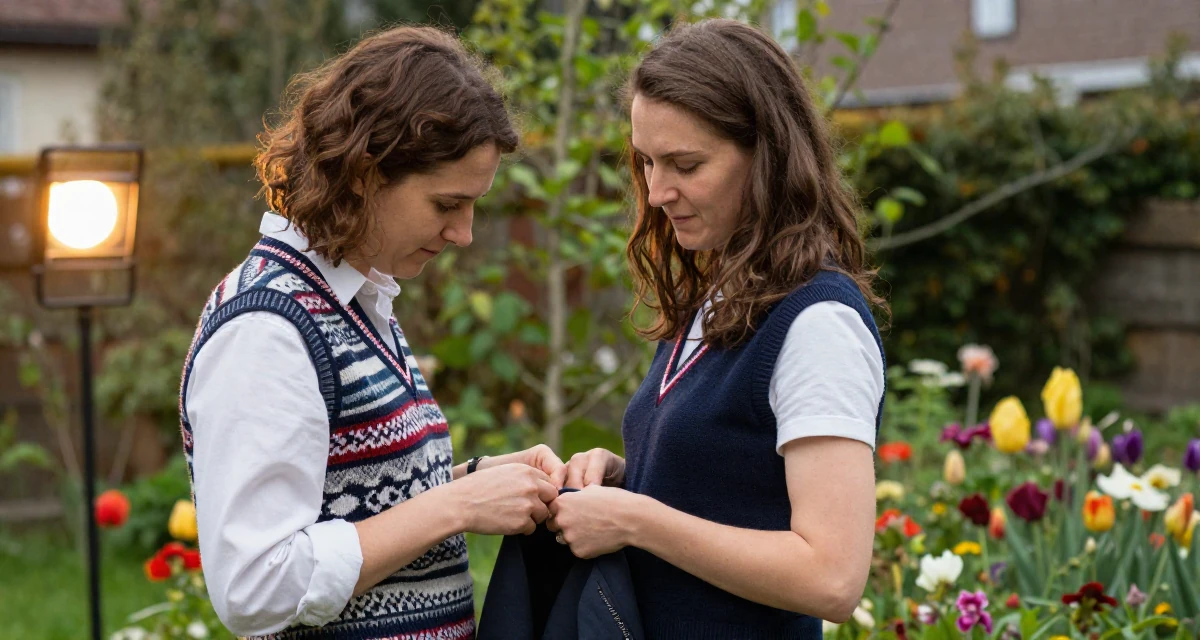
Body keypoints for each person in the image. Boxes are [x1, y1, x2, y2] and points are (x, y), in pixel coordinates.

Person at [178, 26, 562, 639]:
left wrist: (483, 480)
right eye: (446, 204)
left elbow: (357, 500)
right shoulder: (266, 328)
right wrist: (455, 506)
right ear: (365, 173)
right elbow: (255, 585)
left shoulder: (354, 299)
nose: (464, 233)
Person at [547, 18, 886, 639]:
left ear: (767, 158)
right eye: (646, 162)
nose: (656, 192)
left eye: (685, 164)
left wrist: (636, 520)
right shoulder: (721, 296)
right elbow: (734, 486)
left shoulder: (818, 326)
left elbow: (832, 578)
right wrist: (625, 480)